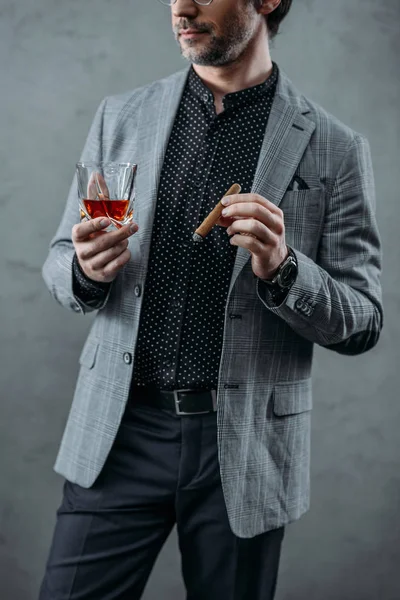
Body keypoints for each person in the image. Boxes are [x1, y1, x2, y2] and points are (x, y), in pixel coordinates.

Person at [38, 0, 383, 598]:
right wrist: (86, 270)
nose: (181, 7)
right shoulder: (120, 117)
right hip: (119, 431)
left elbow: (363, 321)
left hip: (246, 449)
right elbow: (63, 256)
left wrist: (284, 268)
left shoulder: (335, 147)